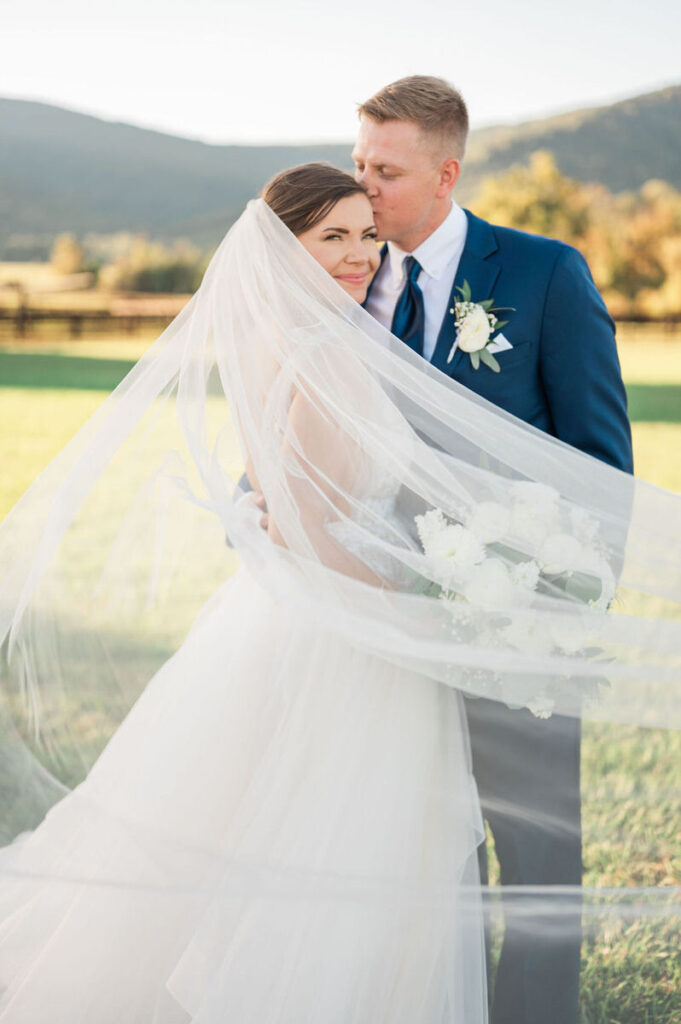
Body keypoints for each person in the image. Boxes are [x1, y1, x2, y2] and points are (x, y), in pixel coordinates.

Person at [0, 161, 678, 1024]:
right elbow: (314, 538)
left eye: (366, 232)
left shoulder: (315, 334)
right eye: (334, 237)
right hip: (348, 642)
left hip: (329, 627)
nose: (361, 254)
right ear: (286, 247)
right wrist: (443, 592)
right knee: (344, 844)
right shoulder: (317, 351)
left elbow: (284, 510)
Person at [350, 75, 634, 1024]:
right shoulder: (349, 281)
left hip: (521, 634)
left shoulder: (542, 274)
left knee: (539, 853)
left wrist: (550, 612)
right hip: (389, 631)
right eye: (358, 165)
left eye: (384, 171)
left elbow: (602, 467)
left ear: (446, 172)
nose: (365, 189)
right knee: (432, 849)